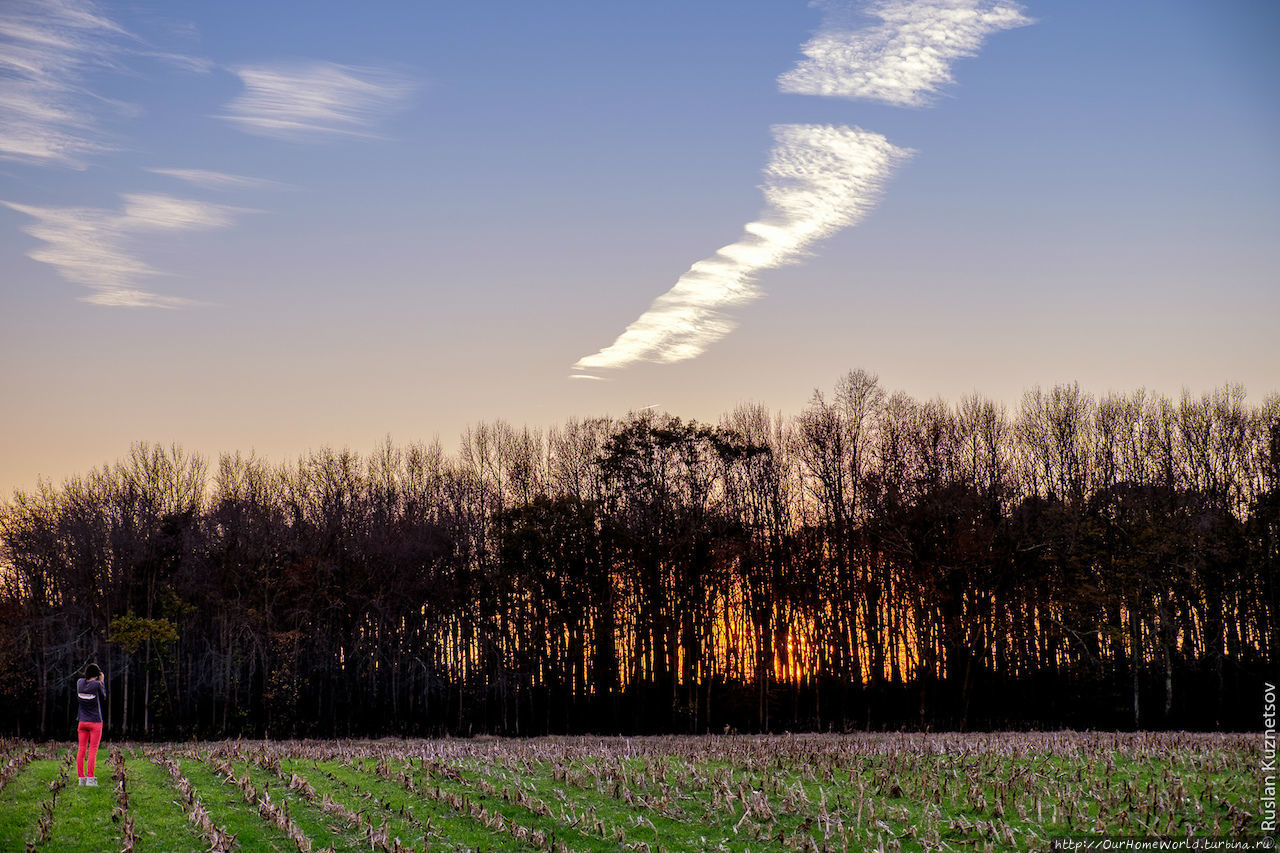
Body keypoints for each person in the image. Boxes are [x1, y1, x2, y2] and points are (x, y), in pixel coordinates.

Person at [75, 663, 106, 786]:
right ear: (97, 675)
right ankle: (90, 779)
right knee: (92, 750)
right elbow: (104, 696)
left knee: (81, 749)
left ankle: (81, 779)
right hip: (95, 722)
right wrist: (102, 681)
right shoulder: (97, 684)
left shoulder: (79, 683)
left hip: (82, 721)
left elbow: (85, 681)